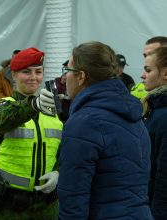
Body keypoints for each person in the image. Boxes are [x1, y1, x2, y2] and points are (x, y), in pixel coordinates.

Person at [57, 41, 153, 219]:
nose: (64, 78)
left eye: (67, 71)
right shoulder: (132, 114)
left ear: (81, 77)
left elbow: (73, 198)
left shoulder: (83, 122)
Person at [0, 47, 63, 220]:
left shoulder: (52, 112)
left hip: (46, 206)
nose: (33, 77)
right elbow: (2, 120)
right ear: (13, 75)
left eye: (38, 72)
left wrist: (58, 172)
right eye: (26, 72)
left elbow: (60, 149)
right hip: (8, 207)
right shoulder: (1, 106)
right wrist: (33, 105)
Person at [141, 46, 167, 220]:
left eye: (148, 70)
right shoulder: (155, 108)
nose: (143, 75)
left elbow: (164, 175)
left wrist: (156, 215)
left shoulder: (164, 116)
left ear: (165, 73)